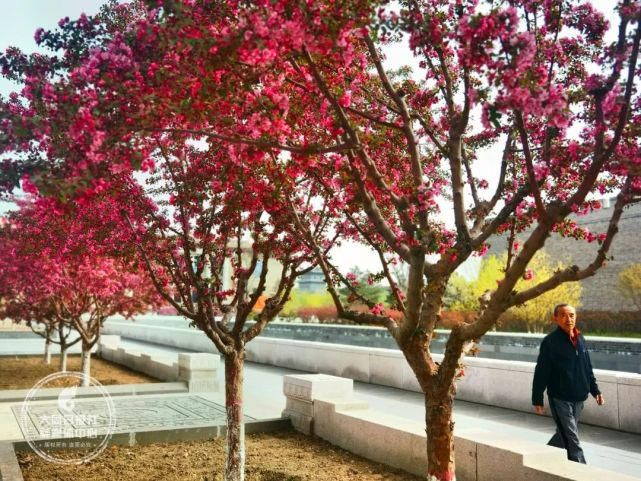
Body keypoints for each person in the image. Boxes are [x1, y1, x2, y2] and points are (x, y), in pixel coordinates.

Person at [531, 303, 605, 464]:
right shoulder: (550, 342)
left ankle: (542, 459)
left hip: (579, 396)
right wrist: (537, 398)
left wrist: (595, 391)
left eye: (571, 315)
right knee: (572, 438)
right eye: (563, 315)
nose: (568, 319)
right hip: (560, 397)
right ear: (555, 318)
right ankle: (581, 472)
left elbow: (587, 367)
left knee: (564, 434)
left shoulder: (580, 338)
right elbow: (541, 371)